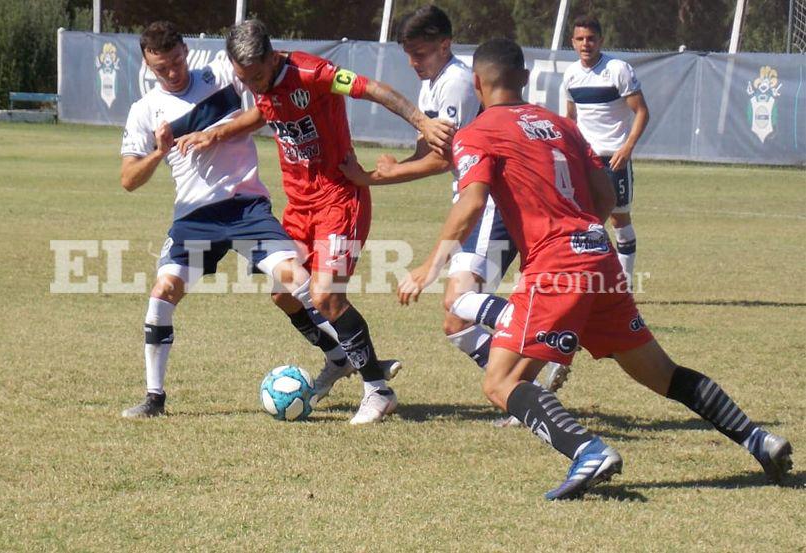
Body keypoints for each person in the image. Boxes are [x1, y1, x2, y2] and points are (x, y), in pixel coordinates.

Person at [399, 38, 792, 499]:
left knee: (501, 381)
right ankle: (758, 438)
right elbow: (605, 196)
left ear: (477, 83)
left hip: (556, 266)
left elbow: (471, 202)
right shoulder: (562, 125)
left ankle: (588, 450)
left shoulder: (477, 132)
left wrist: (429, 266)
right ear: (524, 78)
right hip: (598, 254)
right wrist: (581, 237)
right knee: (661, 373)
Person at [176, 19, 454, 424]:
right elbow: (264, 112)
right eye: (243, 79)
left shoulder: (313, 73)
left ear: (272, 58)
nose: (251, 85)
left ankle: (378, 390)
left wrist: (422, 122)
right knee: (284, 295)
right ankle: (339, 359)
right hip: (299, 206)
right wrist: (216, 134)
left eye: (256, 77)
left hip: (339, 199)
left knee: (325, 297)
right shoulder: (261, 85)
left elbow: (373, 89)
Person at [339, 5, 569, 409]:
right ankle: (528, 388)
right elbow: (427, 150)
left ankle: (545, 334)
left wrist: (376, 178)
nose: (413, 63)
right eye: (409, 54)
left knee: (457, 302)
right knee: (456, 322)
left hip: (491, 204)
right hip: (475, 203)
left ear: (444, 45)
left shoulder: (458, 83)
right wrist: (393, 167)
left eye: (421, 53)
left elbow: (445, 159)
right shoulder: (433, 84)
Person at [119, 21, 351, 418]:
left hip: (247, 208)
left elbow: (269, 105)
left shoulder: (223, 74)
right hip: (195, 218)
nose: (172, 73)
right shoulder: (144, 112)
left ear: (185, 51)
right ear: (147, 65)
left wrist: (220, 132)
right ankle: (154, 398)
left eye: (176, 61)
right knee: (163, 292)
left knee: (296, 279)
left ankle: (355, 359)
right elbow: (128, 179)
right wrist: (158, 153)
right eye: (161, 68)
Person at [562, 15, 649, 289]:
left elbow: (642, 112)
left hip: (614, 158)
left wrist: (627, 147)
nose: (585, 44)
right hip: (584, 159)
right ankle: (591, 280)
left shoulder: (617, 69)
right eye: (580, 39)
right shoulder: (571, 75)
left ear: (601, 40)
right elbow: (570, 119)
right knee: (585, 220)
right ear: (572, 42)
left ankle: (624, 286)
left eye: (591, 39)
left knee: (618, 219)